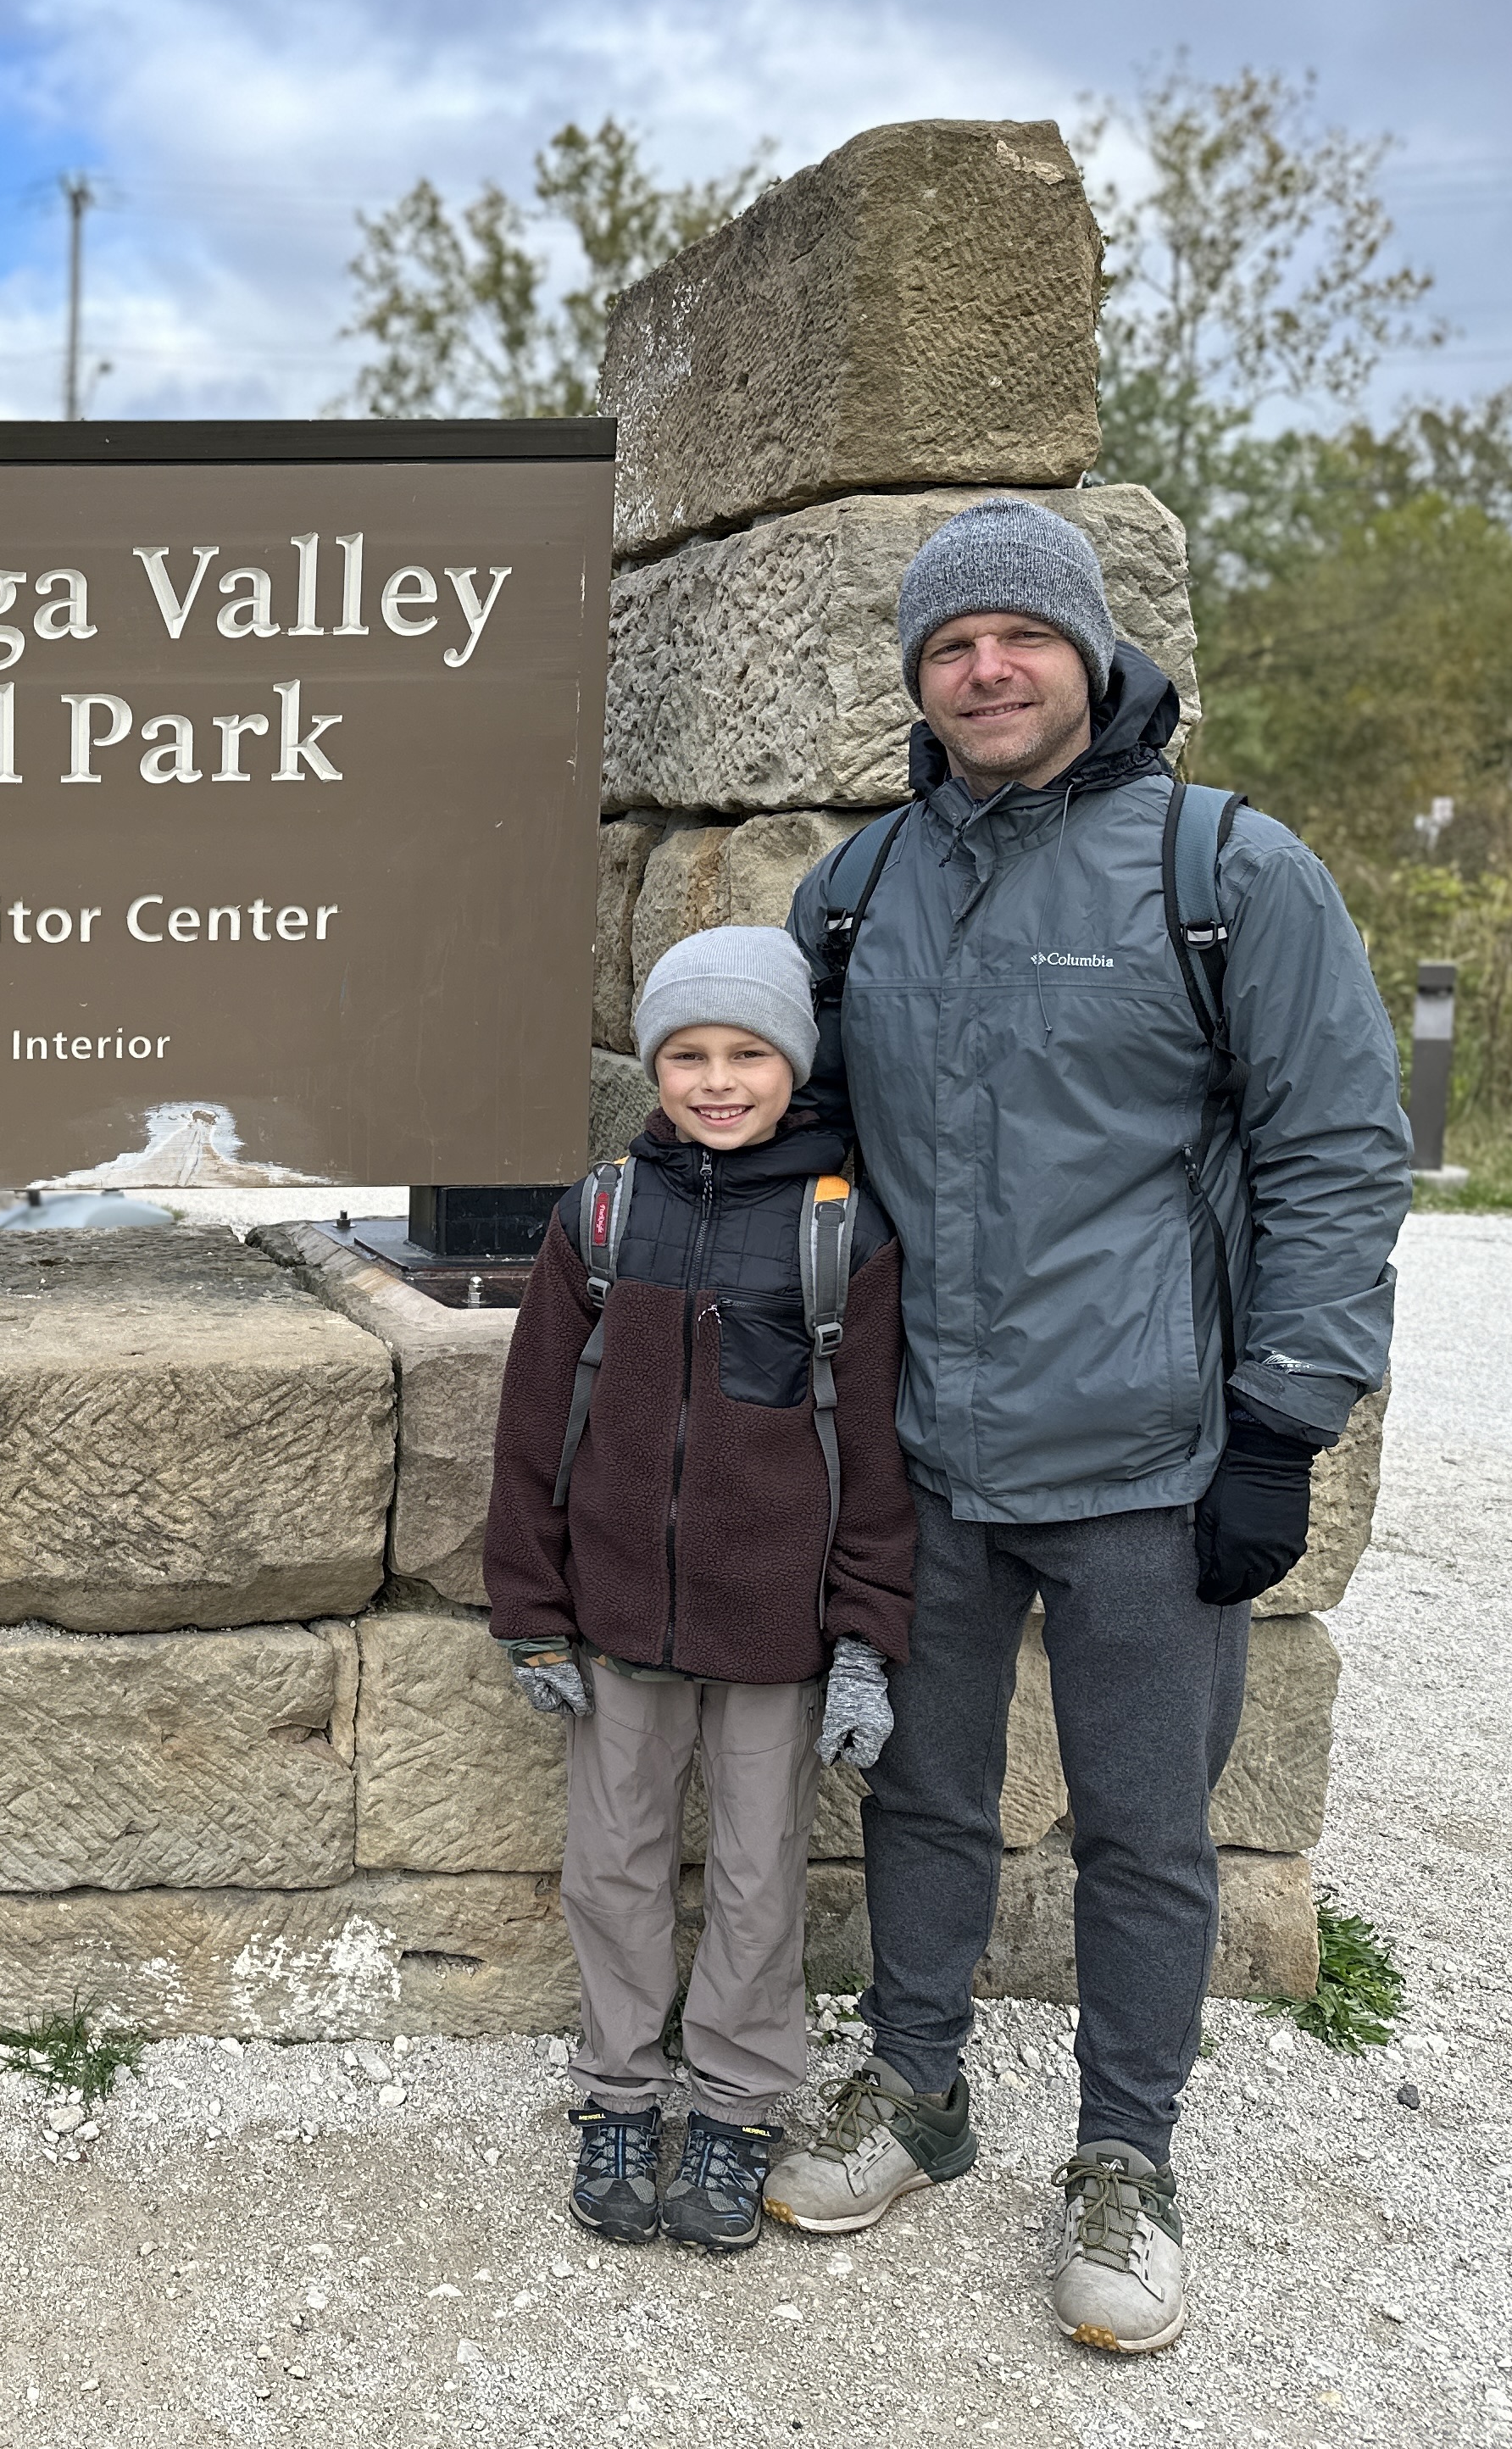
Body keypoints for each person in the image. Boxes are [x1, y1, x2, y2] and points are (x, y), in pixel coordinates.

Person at [766, 501, 1409, 2353]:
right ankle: (916, 2086)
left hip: (1155, 1460)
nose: (986, 669)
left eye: (1019, 638)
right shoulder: (856, 891)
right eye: (949, 646)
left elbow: (1336, 1155)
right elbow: (801, 1151)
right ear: (919, 680)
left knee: (1146, 1831)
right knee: (923, 1796)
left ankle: (1128, 2154)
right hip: (926, 1457)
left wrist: (1283, 1424)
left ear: (1091, 654)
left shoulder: (1228, 872)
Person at [483, 927, 916, 2252]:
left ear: (795, 1065)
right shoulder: (602, 1216)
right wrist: (531, 1613)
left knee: (757, 1883)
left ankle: (733, 2108)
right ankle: (618, 2093)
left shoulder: (842, 1232)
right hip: (618, 1622)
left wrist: (865, 1640)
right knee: (611, 1869)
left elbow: (874, 1460)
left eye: (747, 1055)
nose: (717, 1082)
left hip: (776, 1635)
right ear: (653, 1067)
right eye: (687, 1055)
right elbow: (535, 1424)